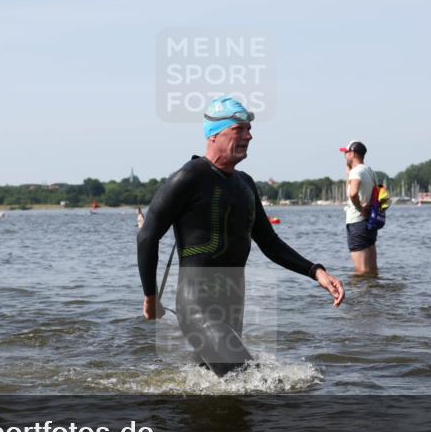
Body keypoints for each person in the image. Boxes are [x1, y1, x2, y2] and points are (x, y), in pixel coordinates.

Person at [137, 96, 345, 377]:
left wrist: (316, 271)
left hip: (233, 303)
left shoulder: (244, 184)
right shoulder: (188, 177)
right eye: (239, 129)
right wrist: (150, 297)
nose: (249, 135)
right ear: (214, 134)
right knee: (247, 377)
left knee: (219, 394)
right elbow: (147, 237)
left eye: (248, 129)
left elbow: (269, 242)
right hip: (198, 306)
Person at [342, 140, 379, 275]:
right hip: (369, 222)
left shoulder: (356, 172)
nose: (345, 156)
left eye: (346, 153)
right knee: (372, 269)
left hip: (357, 222)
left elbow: (353, 193)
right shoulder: (369, 171)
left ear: (352, 154)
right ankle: (373, 293)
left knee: (361, 270)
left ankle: (360, 295)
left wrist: (360, 209)